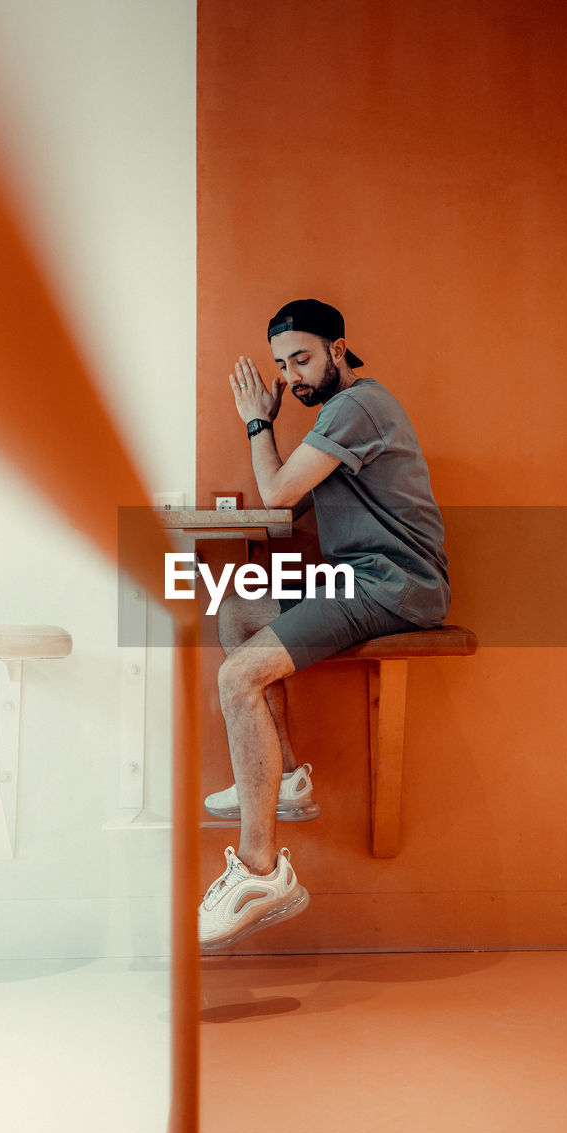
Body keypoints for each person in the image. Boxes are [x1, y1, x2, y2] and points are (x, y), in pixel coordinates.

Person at [197, 299, 450, 952]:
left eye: (302, 358)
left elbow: (275, 496)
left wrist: (257, 421)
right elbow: (281, 499)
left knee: (236, 677)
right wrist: (268, 431)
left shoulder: (356, 406)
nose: (292, 376)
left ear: (339, 349)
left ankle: (261, 869)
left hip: (394, 584)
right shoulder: (338, 421)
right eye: (282, 366)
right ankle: (283, 779)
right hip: (363, 577)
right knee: (239, 610)